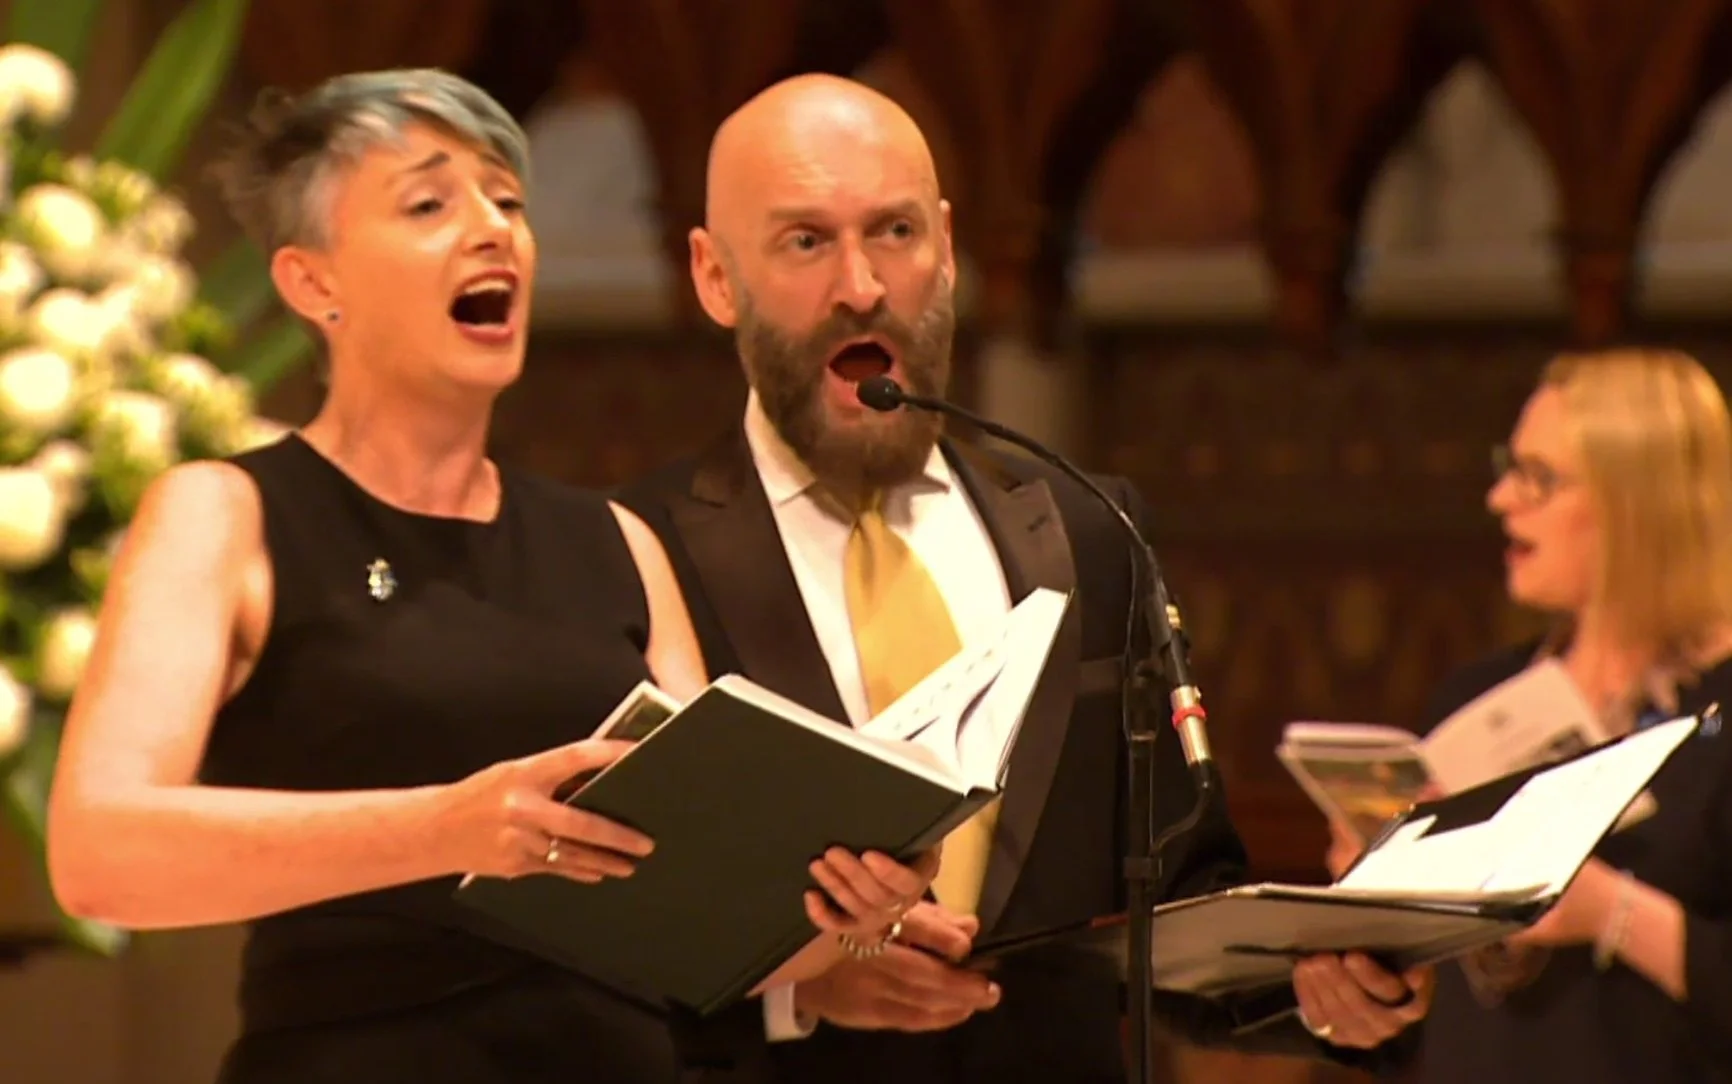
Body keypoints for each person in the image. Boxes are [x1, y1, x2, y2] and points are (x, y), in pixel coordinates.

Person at [42, 69, 936, 1084]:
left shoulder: (614, 539)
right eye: (429, 203)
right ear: (311, 281)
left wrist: (849, 907)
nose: (492, 230)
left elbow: (709, 908)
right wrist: (452, 826)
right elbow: (98, 852)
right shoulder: (225, 512)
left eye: (508, 201)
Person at [617, 73, 1431, 1084]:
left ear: (948, 248)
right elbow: (596, 960)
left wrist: (1326, 988)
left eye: (896, 232)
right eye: (804, 241)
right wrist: (798, 995)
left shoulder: (1092, 530)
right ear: (712, 275)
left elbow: (1170, 907)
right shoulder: (636, 552)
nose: (861, 285)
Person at [1325, 348, 1732, 1083]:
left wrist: (1611, 913)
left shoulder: (1721, 707)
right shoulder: (1475, 698)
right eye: (1507, 467)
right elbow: (1408, 1022)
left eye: (1537, 478)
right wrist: (1371, 917)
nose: (1500, 499)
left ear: (1639, 502)